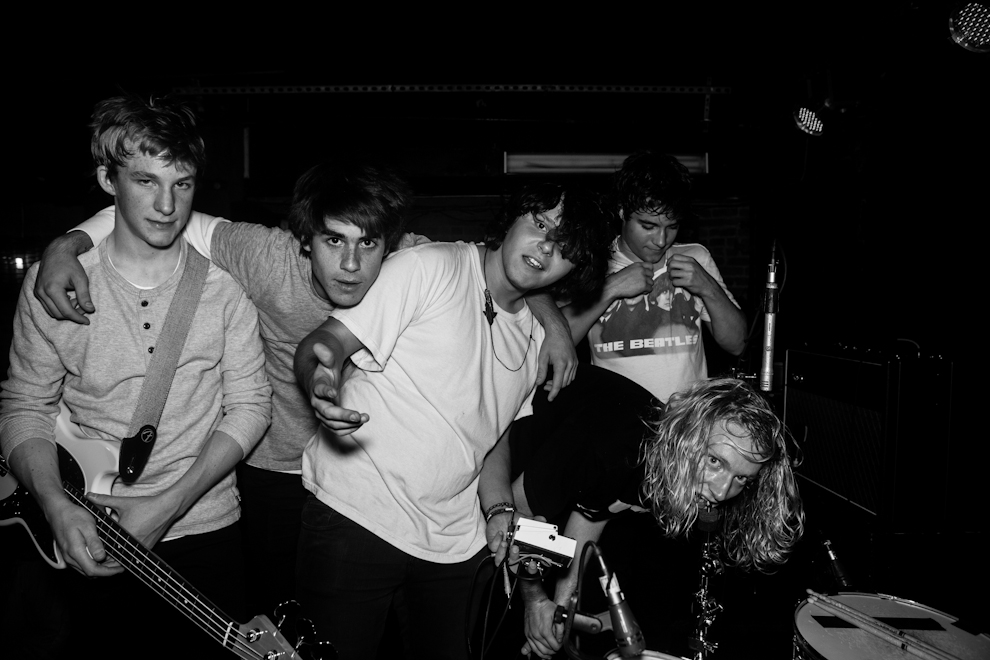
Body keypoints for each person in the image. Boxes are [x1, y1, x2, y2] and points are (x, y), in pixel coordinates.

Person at [29, 158, 580, 621]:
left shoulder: (408, 260)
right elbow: (165, 215)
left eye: (368, 243)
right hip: (270, 467)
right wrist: (66, 245)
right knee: (274, 617)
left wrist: (551, 320)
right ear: (304, 240)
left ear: (389, 244)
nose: (351, 264)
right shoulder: (265, 256)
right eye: (333, 240)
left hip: (366, 486)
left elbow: (507, 262)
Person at [292, 182, 613, 659]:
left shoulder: (538, 338)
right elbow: (326, 343)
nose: (546, 247)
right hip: (356, 515)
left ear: (575, 267)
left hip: (454, 546)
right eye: (540, 224)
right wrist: (321, 378)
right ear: (512, 218)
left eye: (566, 247)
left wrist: (500, 510)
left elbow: (493, 440)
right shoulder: (431, 266)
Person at [0, 95, 272, 658]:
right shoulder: (56, 285)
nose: (167, 205)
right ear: (108, 179)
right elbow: (25, 406)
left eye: (182, 184)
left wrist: (169, 503)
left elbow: (250, 406)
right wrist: (53, 503)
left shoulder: (224, 290)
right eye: (146, 181)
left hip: (205, 530)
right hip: (89, 529)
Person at [482, 371, 804, 657]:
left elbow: (593, 510)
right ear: (688, 435)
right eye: (715, 461)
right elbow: (519, 514)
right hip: (492, 463)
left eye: (741, 479)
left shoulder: (669, 464)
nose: (721, 492)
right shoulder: (612, 445)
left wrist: (561, 607)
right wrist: (536, 601)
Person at [563, 150, 747, 404]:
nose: (661, 240)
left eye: (672, 227)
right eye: (648, 226)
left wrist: (708, 288)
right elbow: (556, 338)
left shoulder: (696, 257)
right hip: (616, 418)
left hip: (685, 418)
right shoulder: (592, 262)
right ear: (621, 211)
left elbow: (737, 344)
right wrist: (611, 288)